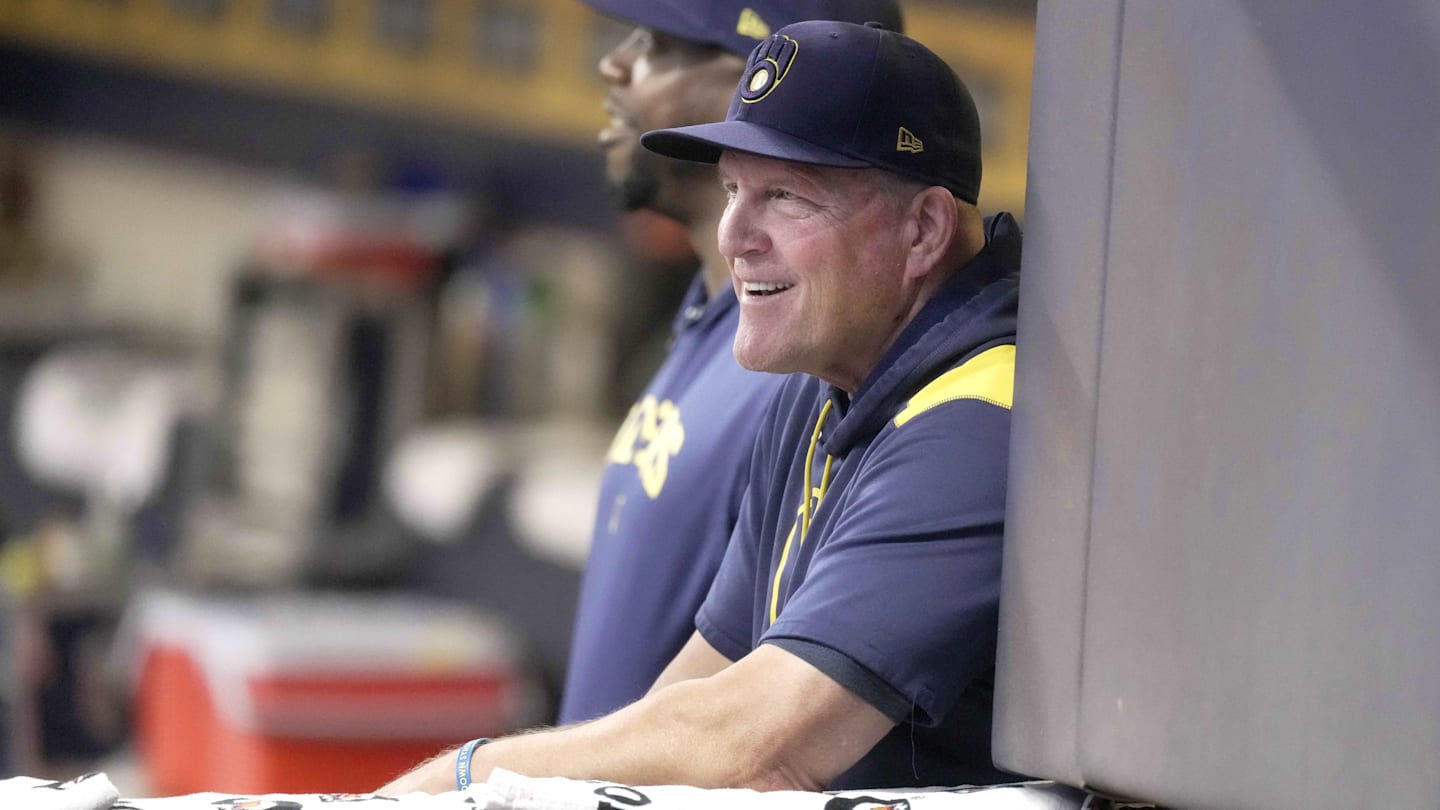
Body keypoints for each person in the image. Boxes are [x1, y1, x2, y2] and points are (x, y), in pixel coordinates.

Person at [380, 19, 1021, 794]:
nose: (734, 236)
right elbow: (689, 701)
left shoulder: (983, 415)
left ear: (922, 231)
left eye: (785, 196)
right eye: (731, 190)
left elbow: (755, 745)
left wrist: (465, 775)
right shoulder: (819, 387)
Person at [561, 0, 904, 725]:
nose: (614, 63)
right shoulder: (718, 317)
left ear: (763, 86)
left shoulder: (808, 367)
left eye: (661, 43)